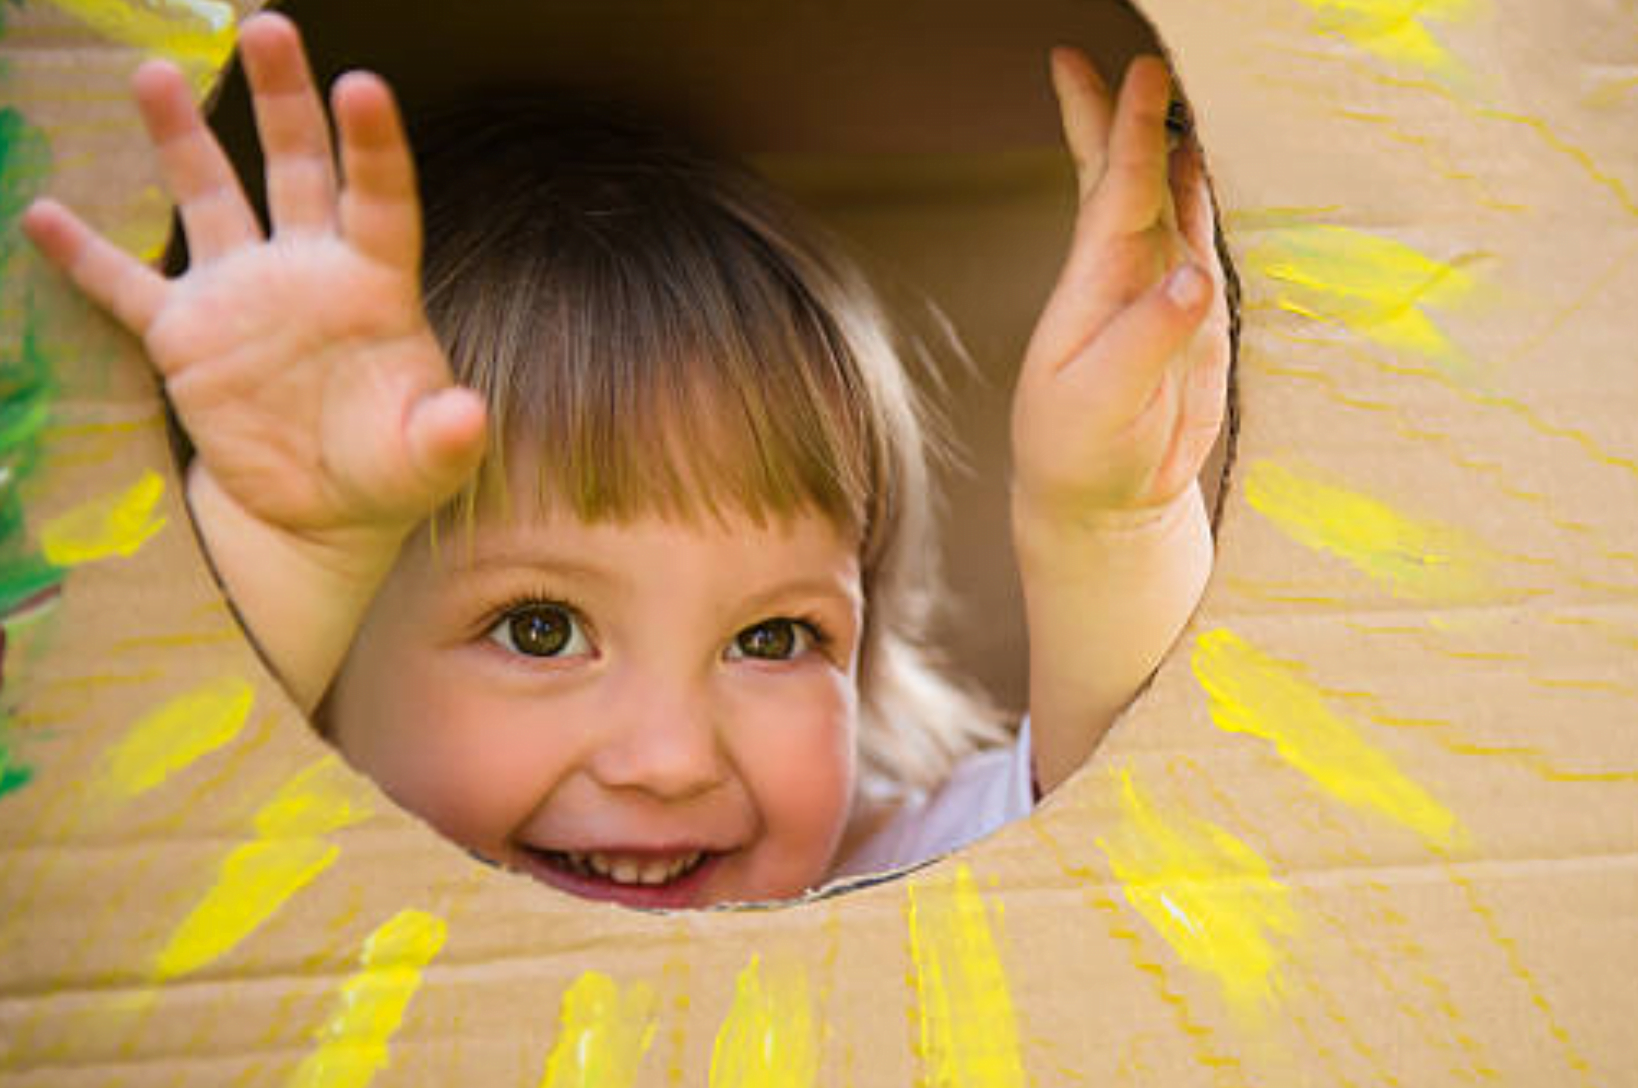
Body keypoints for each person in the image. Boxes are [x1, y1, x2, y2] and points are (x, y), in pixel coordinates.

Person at [21, 13, 1230, 909]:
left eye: (774, 638)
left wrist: (1106, 525)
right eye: (540, 627)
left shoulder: (871, 882)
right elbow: (141, 819)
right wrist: (289, 552)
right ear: (322, 678)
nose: (668, 760)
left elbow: (1117, 812)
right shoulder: (260, 885)